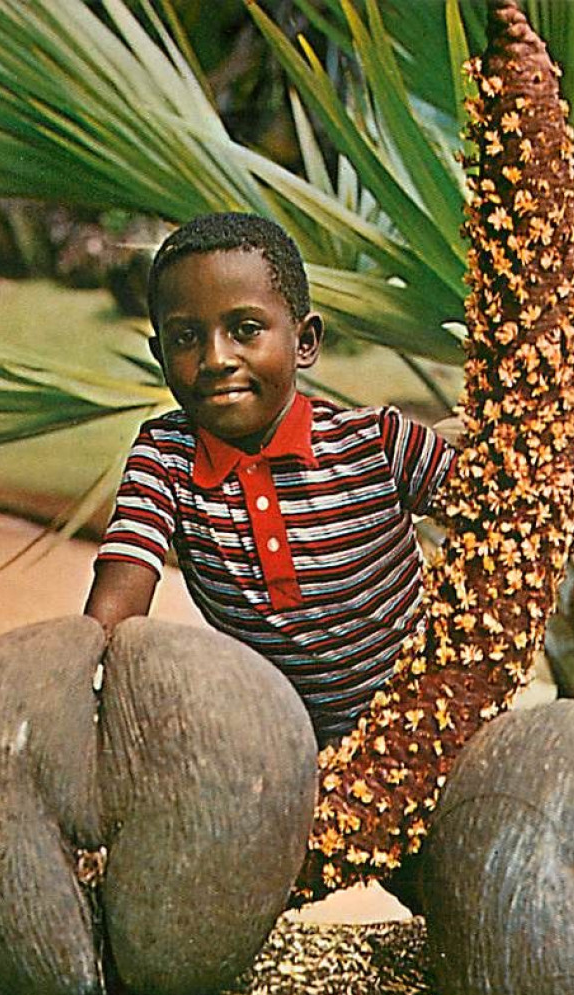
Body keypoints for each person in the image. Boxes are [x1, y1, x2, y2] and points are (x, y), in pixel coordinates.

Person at [84, 212, 455, 748]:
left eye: (246, 330)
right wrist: (88, 691)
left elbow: (522, 522)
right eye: (186, 337)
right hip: (278, 751)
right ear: (160, 354)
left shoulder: (378, 442)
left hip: (428, 723)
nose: (216, 358)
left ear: (304, 341)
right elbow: (116, 604)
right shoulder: (165, 458)